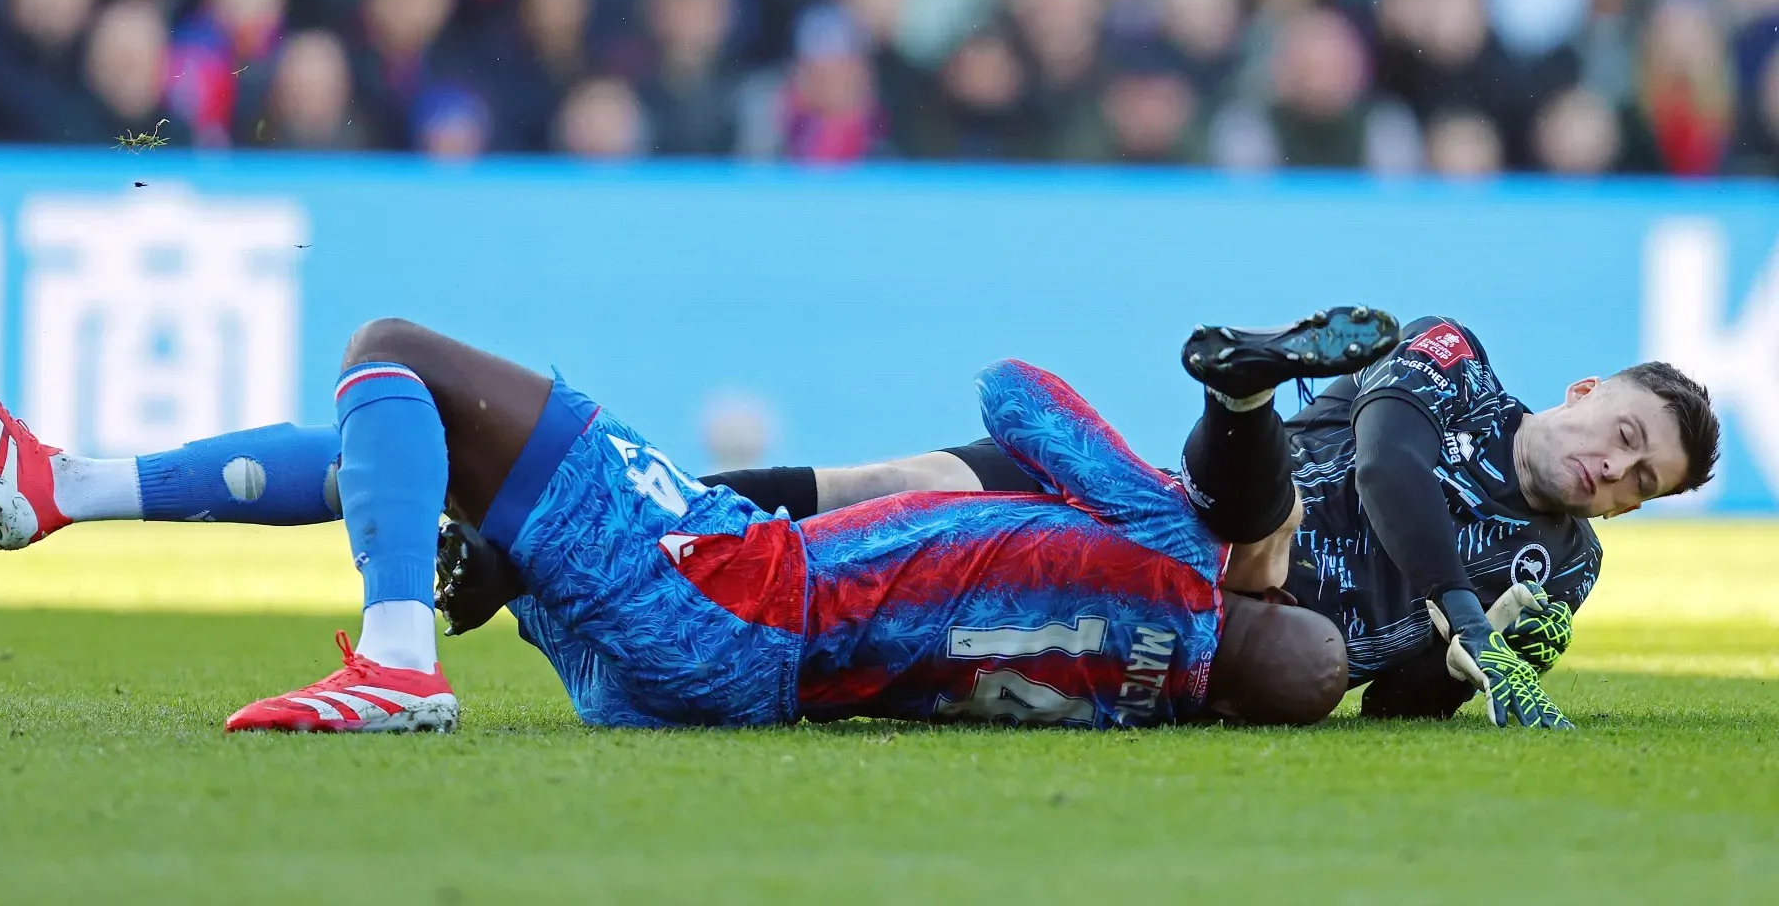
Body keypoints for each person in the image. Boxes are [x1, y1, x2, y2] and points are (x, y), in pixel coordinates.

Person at [0, 310, 1377, 733]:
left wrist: (1233, 504)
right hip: (720, 679)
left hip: (743, 596)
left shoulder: (1178, 560)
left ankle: (397, 662)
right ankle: (62, 487)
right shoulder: (1145, 705)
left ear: (1254, 602)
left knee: (396, 354)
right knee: (430, 446)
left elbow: (1020, 387)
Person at [578, 314, 1717, 722]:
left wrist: (1465, 670)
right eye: (1623, 433)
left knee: (1261, 577)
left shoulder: (1563, 573)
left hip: (1248, 625)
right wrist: (1465, 609)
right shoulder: (1455, 360)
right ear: (1586, 392)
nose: (1609, 472)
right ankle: (647, 505)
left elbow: (1399, 704)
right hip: (1192, 523)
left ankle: (1241, 391)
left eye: (1638, 481)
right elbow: (1385, 468)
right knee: (883, 488)